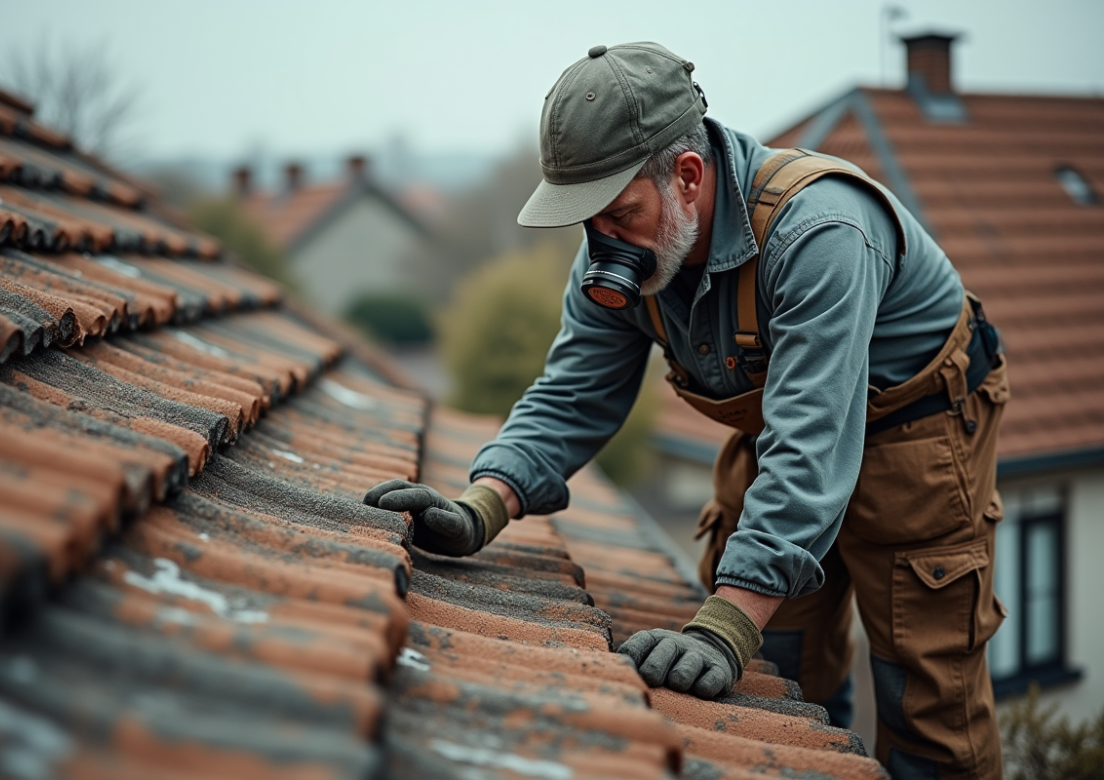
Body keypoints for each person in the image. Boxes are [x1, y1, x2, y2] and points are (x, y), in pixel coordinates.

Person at [364, 42, 1008, 779]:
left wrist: (726, 625)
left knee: (926, 707)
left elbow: (813, 440)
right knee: (779, 678)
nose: (602, 241)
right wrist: (481, 505)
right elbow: (573, 394)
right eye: (586, 221)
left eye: (618, 213)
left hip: (914, 443)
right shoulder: (629, 247)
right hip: (782, 438)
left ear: (689, 177)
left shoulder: (821, 233)